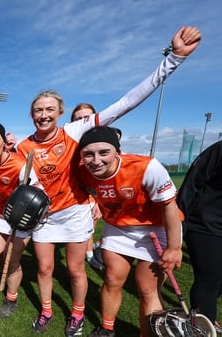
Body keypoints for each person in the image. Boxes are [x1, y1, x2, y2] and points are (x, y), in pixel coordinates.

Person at [15, 26, 201, 335]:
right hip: (44, 217)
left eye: (49, 109)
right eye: (37, 110)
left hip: (74, 214)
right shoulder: (23, 146)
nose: (43, 114)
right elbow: (27, 180)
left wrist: (173, 60)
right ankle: (47, 310)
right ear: (31, 115)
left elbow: (127, 101)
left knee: (75, 270)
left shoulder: (75, 132)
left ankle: (77, 314)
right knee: (45, 268)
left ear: (61, 112)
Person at [76, 126, 183, 337]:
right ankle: (107, 329)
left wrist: (174, 246)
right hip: (118, 228)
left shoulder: (147, 167)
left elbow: (170, 207)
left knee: (147, 289)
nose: (96, 160)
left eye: (103, 152)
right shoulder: (82, 172)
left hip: (156, 228)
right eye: (88, 154)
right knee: (112, 280)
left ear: (117, 152)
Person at [0, 122, 42, 318]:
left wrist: (23, 211)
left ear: (5, 143)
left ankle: (11, 299)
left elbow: (40, 194)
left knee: (11, 260)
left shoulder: (21, 166)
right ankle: (3, 272)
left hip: (21, 218)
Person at [176, 140, 222, 332]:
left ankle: (203, 317)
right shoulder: (219, 150)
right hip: (205, 225)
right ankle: (201, 327)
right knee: (209, 280)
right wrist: (179, 225)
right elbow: (191, 183)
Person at [70, 103, 105, 272]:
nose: (83, 122)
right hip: (67, 198)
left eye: (87, 118)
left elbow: (105, 178)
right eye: (79, 119)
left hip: (89, 198)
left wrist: (99, 202)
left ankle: (89, 255)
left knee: (89, 229)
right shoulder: (67, 142)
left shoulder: (102, 145)